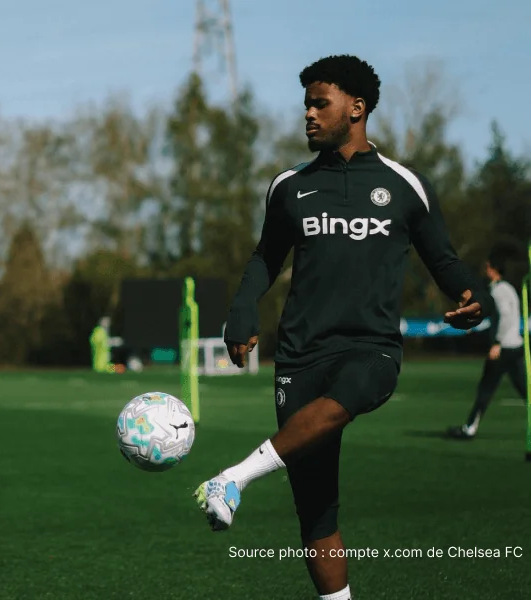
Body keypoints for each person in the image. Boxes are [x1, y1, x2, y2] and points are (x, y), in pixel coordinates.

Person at [192, 55, 493, 600]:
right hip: (300, 355)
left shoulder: (405, 186)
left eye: (318, 103)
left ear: (356, 108)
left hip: (371, 349)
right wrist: (241, 310)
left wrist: (472, 295)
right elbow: (265, 258)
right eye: (305, 103)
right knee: (316, 508)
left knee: (351, 394)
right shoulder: (289, 187)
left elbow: (445, 261)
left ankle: (233, 477)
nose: (307, 113)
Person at [448, 248, 527, 439]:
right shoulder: (506, 288)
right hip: (515, 346)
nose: (485, 269)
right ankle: (469, 427)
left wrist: (497, 343)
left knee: (486, 389)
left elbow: (505, 318)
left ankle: (469, 429)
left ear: (493, 268)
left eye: (487, 266)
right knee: (525, 390)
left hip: (504, 348)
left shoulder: (499, 291)